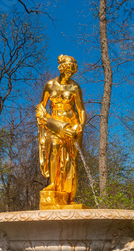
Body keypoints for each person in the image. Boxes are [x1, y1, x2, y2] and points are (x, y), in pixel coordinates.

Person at [36, 55, 86, 206]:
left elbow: (81, 110)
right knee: (55, 150)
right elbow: (41, 107)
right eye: (68, 68)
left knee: (71, 161)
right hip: (55, 125)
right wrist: (46, 120)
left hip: (71, 125)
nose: (70, 72)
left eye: (73, 69)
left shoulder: (75, 87)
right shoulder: (50, 85)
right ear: (61, 68)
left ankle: (70, 196)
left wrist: (80, 127)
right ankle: (53, 184)